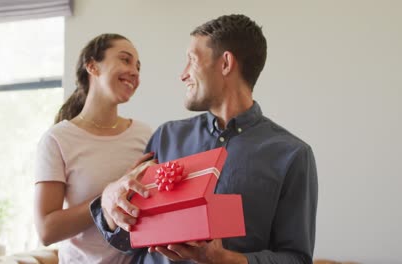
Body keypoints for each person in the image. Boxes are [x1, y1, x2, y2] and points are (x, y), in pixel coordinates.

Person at [90, 14, 318, 264]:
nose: (183, 74)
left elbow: (297, 258)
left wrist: (226, 260)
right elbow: (126, 240)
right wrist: (110, 200)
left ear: (225, 63)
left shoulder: (292, 155)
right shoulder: (167, 137)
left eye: (191, 60)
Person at [34, 33, 153, 264]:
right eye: (125, 60)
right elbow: (46, 230)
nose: (135, 72)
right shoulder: (57, 139)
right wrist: (107, 197)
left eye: (138, 66)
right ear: (92, 66)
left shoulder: (144, 134)